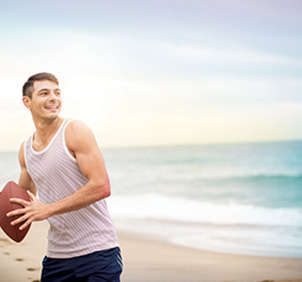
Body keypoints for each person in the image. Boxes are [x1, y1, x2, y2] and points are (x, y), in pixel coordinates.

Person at [7, 72, 123, 282]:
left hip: (98, 252)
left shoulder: (75, 131)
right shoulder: (25, 150)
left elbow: (101, 186)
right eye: (44, 93)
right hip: (57, 256)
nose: (53, 98)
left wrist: (48, 209)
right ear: (27, 102)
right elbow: (20, 199)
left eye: (57, 93)